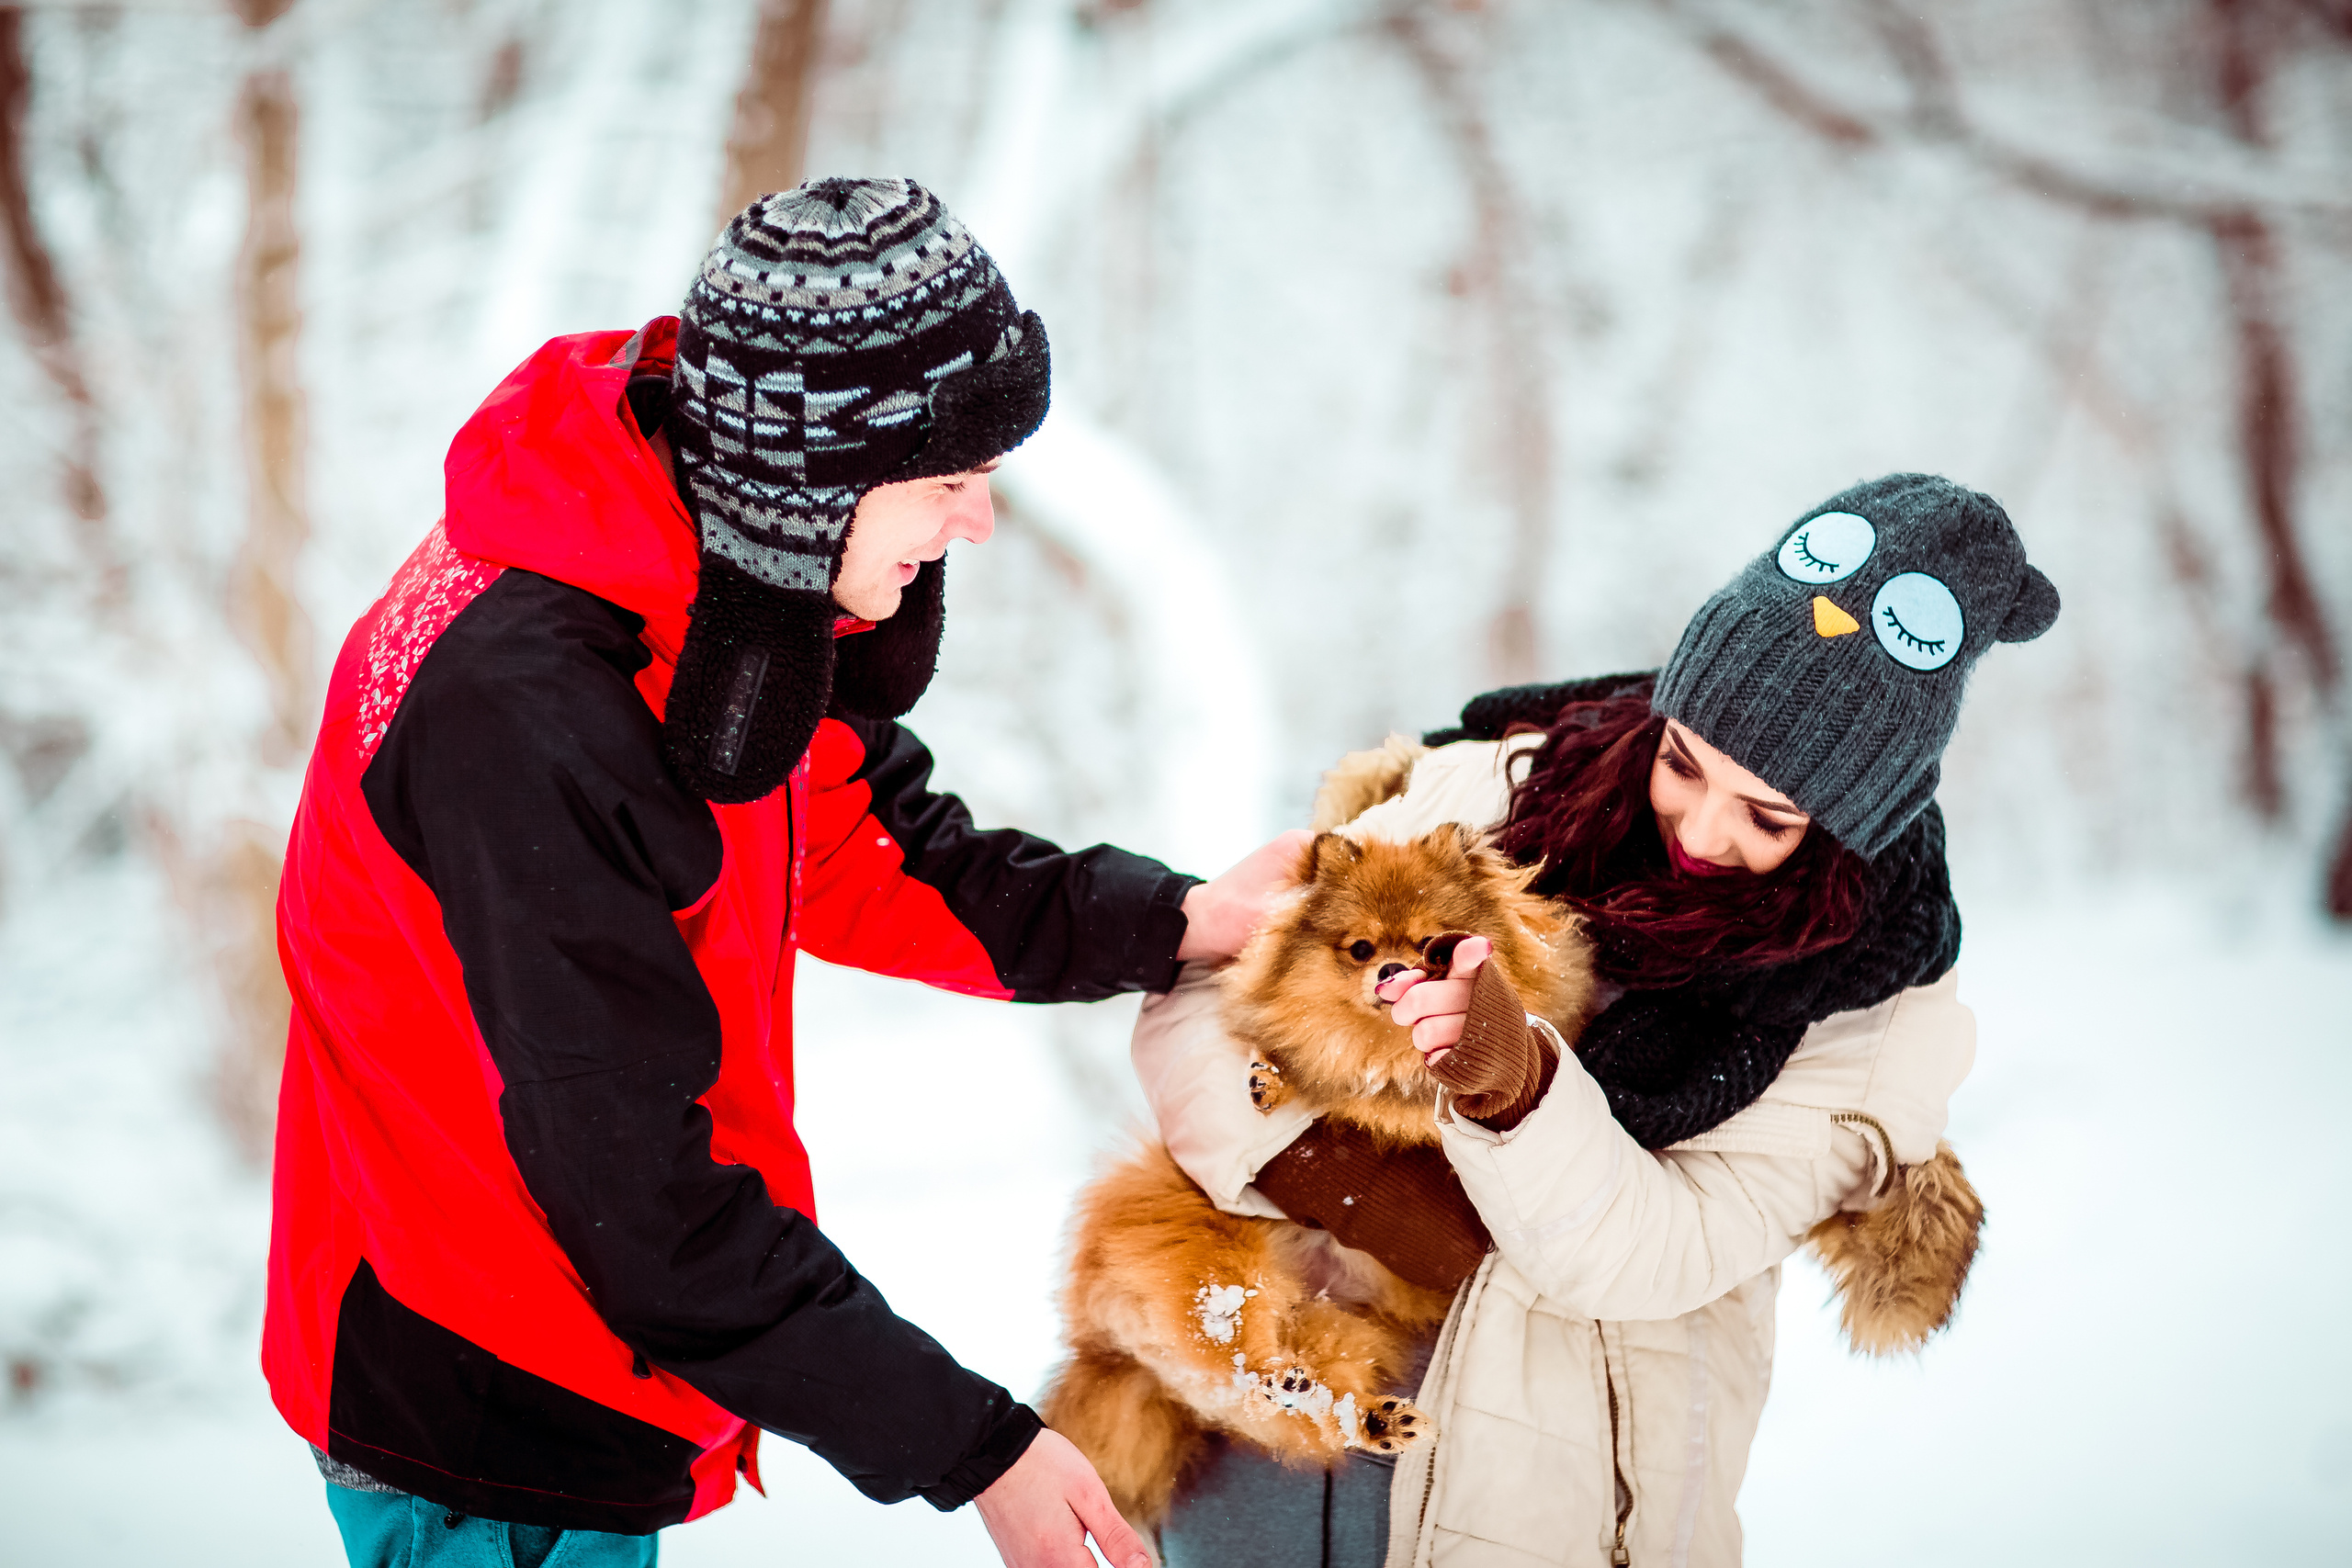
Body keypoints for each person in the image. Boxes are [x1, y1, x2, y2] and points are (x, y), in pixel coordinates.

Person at [265, 177, 1303, 1568]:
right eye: (948, 481)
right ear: (811, 479)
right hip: (484, 1400)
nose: (981, 522)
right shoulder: (534, 716)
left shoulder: (699, 575)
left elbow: (873, 851)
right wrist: (976, 1447)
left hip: (590, 1331)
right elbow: (643, 1203)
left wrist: (1181, 920)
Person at [1132, 474, 2061, 1565]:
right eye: (1680, 762)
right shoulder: (1484, 791)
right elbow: (1202, 999)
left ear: (1851, 822)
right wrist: (1337, 1176)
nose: (1701, 830)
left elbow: (1655, 1253)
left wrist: (1513, 1083)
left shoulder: (1867, 1014)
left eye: (1766, 818)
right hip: (1276, 1411)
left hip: (1545, 1496)